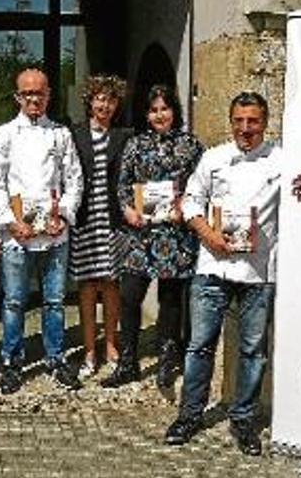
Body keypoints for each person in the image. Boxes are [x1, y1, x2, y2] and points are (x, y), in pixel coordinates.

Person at [164, 91, 280, 456]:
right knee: (199, 347)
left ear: (265, 122)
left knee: (252, 351)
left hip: (258, 272)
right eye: (239, 121)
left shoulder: (283, 161)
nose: (245, 129)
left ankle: (243, 419)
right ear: (231, 122)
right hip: (212, 268)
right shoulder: (213, 158)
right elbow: (191, 201)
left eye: (253, 121)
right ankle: (190, 415)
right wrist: (209, 234)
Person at [0, 68, 84, 395]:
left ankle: (55, 358)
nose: (33, 99)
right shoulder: (4, 134)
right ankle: (12, 362)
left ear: (48, 95)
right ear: (17, 97)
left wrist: (65, 217)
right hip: (17, 234)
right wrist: (10, 223)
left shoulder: (61, 134)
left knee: (54, 300)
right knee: (14, 301)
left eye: (39, 93)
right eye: (27, 93)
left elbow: (75, 180)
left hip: (54, 234)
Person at [101, 84, 203, 395]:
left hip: (175, 234)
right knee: (130, 295)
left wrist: (185, 207)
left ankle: (166, 361)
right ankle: (128, 362)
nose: (159, 115)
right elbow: (121, 185)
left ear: (174, 111)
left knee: (170, 301)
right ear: (147, 114)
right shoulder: (135, 144)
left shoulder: (191, 145)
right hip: (141, 235)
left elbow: (202, 185)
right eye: (153, 109)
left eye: (165, 108)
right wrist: (128, 210)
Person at [68, 75, 132, 379]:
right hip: (84, 219)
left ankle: (110, 345)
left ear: (116, 104)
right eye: (99, 99)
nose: (104, 105)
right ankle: (89, 350)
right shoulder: (74, 135)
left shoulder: (124, 136)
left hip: (112, 220)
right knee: (87, 285)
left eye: (110, 99)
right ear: (90, 102)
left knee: (110, 284)